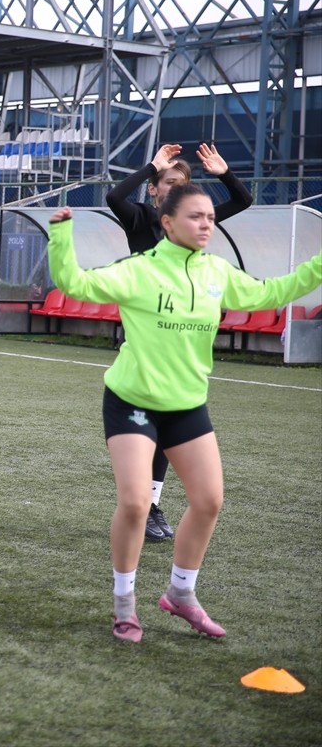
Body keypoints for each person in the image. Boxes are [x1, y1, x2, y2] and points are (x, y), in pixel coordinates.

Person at [47, 188, 320, 643]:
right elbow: (74, 284)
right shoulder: (139, 271)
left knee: (210, 501)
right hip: (133, 400)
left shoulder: (217, 272)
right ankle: (124, 605)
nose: (207, 224)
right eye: (196, 216)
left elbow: (275, 291)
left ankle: (181, 594)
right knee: (136, 503)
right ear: (167, 222)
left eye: (211, 217)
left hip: (186, 404)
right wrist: (60, 234)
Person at [106, 144, 253, 543]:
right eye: (169, 183)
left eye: (183, 184)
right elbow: (114, 196)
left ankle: (149, 504)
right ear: (154, 190)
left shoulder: (190, 223)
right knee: (150, 424)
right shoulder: (139, 218)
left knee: (170, 425)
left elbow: (243, 199)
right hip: (148, 332)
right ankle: (142, 504)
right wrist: (151, 166)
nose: (176, 190)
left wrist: (223, 173)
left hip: (183, 334)